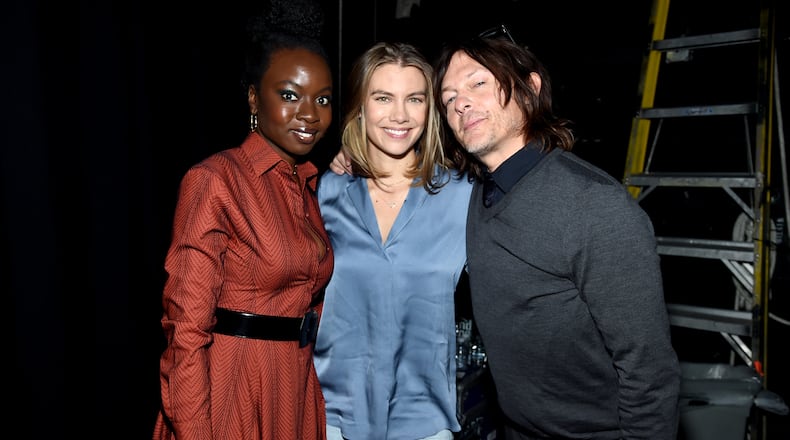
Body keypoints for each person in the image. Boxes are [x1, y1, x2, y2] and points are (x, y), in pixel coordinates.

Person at [431, 27, 682, 439]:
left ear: (530, 88)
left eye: (478, 83)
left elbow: (649, 372)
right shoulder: (477, 193)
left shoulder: (593, 205)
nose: (461, 104)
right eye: (449, 99)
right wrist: (350, 157)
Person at [152, 1, 334, 439]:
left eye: (323, 99)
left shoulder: (308, 186)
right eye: (289, 95)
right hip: (233, 388)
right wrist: (194, 430)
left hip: (294, 387)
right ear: (254, 96)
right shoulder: (214, 180)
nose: (309, 114)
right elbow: (186, 329)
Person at [313, 42, 473, 440]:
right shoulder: (324, 190)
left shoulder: (464, 196)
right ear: (360, 106)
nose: (399, 115)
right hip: (330, 416)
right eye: (383, 97)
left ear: (430, 109)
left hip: (422, 421)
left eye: (414, 99)